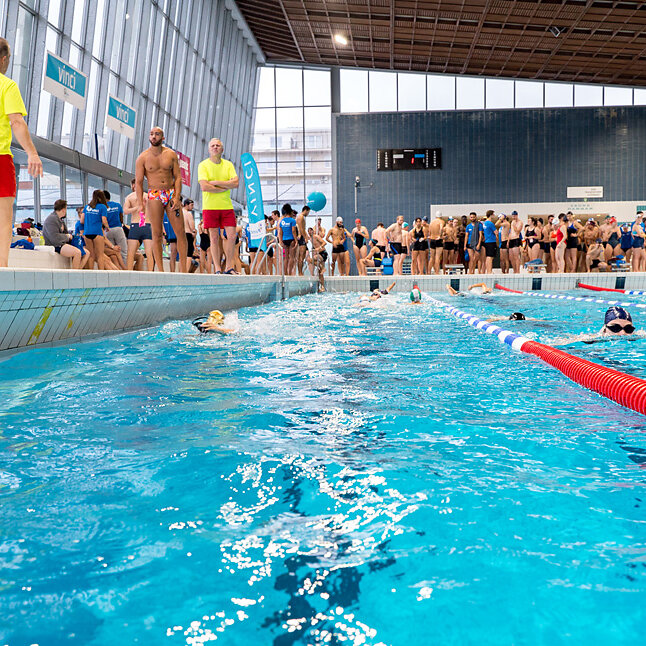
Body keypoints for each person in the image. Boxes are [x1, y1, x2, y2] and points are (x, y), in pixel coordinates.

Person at [0, 38, 42, 267]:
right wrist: (32, 153)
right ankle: (1, 267)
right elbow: (16, 121)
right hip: (0, 158)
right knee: (3, 218)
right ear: (4, 59)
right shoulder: (7, 86)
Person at [134, 127, 187, 272]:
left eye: (157, 134)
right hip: (154, 194)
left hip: (170, 193)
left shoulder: (170, 154)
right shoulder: (142, 158)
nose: (154, 136)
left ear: (163, 138)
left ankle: (183, 269)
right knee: (156, 234)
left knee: (180, 232)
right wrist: (140, 204)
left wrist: (177, 196)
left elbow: (178, 177)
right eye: (151, 134)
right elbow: (138, 182)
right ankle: (161, 270)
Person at [197, 137, 239, 274]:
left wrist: (215, 183)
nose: (215, 147)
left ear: (222, 149)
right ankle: (217, 268)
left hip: (226, 206)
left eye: (218, 145)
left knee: (231, 236)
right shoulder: (203, 165)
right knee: (214, 238)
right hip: (210, 207)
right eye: (213, 145)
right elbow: (204, 187)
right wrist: (225, 187)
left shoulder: (228, 165)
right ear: (209, 149)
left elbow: (236, 183)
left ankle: (229, 266)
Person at [42, 199, 90, 269]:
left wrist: (69, 236)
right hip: (55, 245)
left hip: (62, 243)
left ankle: (77, 271)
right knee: (77, 252)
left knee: (87, 253)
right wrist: (67, 236)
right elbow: (54, 238)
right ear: (63, 210)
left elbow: (65, 233)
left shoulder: (60, 220)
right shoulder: (51, 219)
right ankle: (75, 273)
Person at [124, 178, 153, 270]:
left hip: (136, 225)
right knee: (149, 253)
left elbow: (125, 211)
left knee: (130, 253)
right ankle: (151, 273)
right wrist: (141, 206)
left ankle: (129, 273)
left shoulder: (129, 197)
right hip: (146, 225)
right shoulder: (147, 196)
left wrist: (136, 208)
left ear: (133, 186)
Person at [104, 190, 127, 268]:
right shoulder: (117, 205)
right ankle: (125, 268)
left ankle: (115, 269)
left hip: (107, 230)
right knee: (123, 251)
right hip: (118, 229)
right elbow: (121, 217)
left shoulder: (102, 207)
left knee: (112, 251)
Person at [278, 203, 297, 275]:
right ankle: (289, 273)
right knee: (291, 257)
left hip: (284, 240)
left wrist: (280, 241)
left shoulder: (282, 221)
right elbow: (293, 231)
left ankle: (285, 272)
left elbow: (280, 232)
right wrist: (296, 240)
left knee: (286, 258)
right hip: (291, 240)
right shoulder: (292, 220)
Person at [294, 205, 310, 276]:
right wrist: (305, 237)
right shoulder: (301, 217)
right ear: (305, 210)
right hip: (301, 238)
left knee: (302, 256)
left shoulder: (300, 217)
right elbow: (301, 229)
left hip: (302, 237)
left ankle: (300, 272)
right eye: (308, 212)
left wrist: (306, 236)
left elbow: (303, 228)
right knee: (301, 256)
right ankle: (300, 272)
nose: (308, 214)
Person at [183, 198, 197, 272]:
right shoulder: (188, 214)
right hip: (188, 234)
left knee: (182, 254)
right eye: (191, 205)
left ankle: (181, 271)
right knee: (189, 254)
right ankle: (186, 272)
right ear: (186, 205)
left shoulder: (180, 213)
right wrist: (194, 232)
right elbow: (192, 227)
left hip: (181, 235)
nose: (192, 207)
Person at [482, 210, 497, 274]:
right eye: (493, 214)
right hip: (491, 241)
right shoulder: (490, 223)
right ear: (491, 215)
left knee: (488, 256)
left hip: (487, 241)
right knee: (490, 257)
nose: (494, 216)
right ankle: (489, 271)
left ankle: (488, 270)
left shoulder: (485, 223)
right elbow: (496, 232)